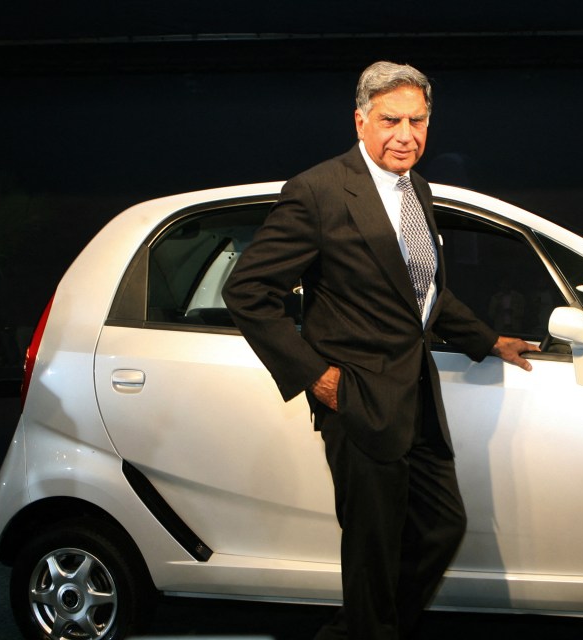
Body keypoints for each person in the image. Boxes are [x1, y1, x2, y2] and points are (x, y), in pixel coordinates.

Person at [222, 61, 538, 640]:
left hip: (414, 394)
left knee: (441, 526)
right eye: (391, 120)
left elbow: (423, 293)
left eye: (418, 121)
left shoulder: (416, 186)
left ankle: (360, 630)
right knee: (372, 548)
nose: (406, 135)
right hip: (358, 397)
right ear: (360, 120)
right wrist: (317, 378)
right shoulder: (317, 191)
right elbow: (246, 291)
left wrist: (487, 340)